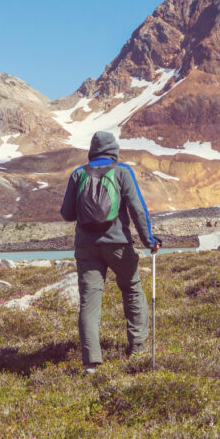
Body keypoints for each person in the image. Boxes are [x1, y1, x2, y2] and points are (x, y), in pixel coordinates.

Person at [60, 131, 160, 374]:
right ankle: (137, 348)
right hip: (119, 245)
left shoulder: (78, 173)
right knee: (132, 289)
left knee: (89, 301)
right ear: (113, 150)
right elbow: (137, 209)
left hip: (86, 247)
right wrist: (149, 240)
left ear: (92, 151)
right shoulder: (122, 171)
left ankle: (91, 363)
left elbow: (67, 213)